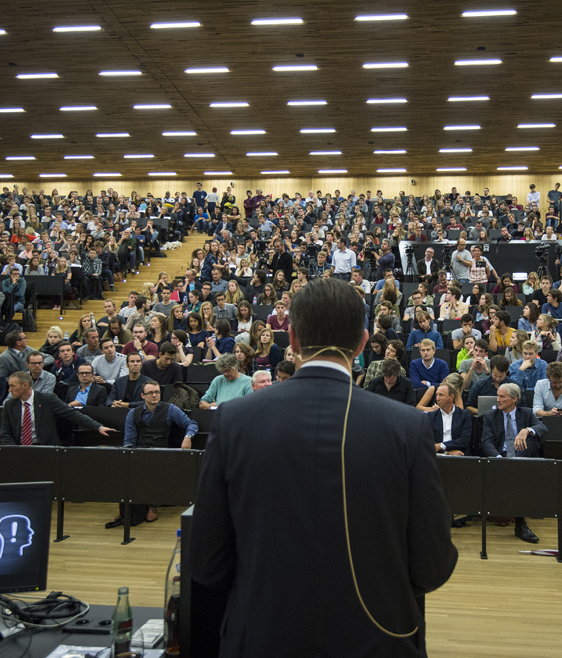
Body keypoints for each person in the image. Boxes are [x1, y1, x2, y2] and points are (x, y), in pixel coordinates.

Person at [189, 278, 456, 656]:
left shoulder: (235, 420)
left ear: (293, 339)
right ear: (363, 343)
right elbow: (432, 564)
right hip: (378, 639)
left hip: (262, 638)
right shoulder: (407, 428)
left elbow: (206, 561)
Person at [106, 380, 200, 528]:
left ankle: (152, 505)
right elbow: (129, 440)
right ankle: (127, 508)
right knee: (124, 465)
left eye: (157, 392)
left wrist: (188, 437)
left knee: (152, 467)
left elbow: (191, 424)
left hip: (161, 452)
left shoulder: (170, 409)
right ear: (143, 396)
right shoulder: (133, 413)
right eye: (150, 393)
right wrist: (129, 455)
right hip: (140, 451)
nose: (154, 395)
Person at [480, 382, 548, 543]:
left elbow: (542, 428)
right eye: (498, 396)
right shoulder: (490, 416)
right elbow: (486, 442)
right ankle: (520, 523)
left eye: (502, 396)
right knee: (517, 473)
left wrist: (526, 430)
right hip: (500, 457)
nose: (498, 400)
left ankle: (513, 464)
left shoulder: (526, 413)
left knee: (532, 441)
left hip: (520, 456)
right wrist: (498, 460)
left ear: (514, 399)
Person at [0, 372, 117, 445]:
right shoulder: (10, 405)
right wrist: (13, 450)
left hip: (46, 449)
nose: (9, 390)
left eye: (12, 386)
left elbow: (72, 414)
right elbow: (5, 433)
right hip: (18, 449)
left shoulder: (47, 399)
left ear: (25, 386)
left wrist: (98, 427)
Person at [428, 382, 471, 455]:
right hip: (438, 456)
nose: (437, 399)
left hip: (459, 454)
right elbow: (429, 442)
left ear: (451, 397)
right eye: (436, 395)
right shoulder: (431, 417)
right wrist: (447, 452)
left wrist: (441, 446)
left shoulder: (464, 415)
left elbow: (464, 440)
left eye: (441, 395)